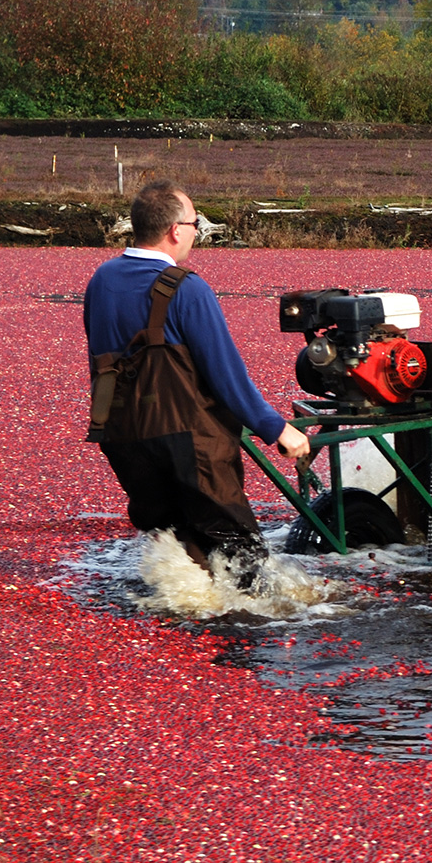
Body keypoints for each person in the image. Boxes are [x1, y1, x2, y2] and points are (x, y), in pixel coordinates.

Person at [84, 180, 310, 576]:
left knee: (183, 554)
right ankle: (248, 633)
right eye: (194, 222)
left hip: (124, 441)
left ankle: (185, 627)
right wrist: (277, 429)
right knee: (245, 563)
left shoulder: (100, 281)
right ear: (175, 230)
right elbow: (226, 375)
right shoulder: (186, 289)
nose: (196, 232)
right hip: (189, 446)